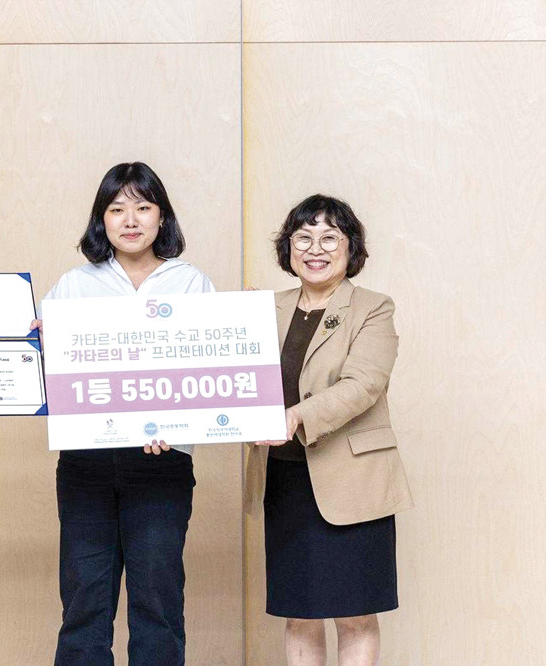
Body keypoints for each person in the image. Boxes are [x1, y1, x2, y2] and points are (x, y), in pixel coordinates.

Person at [31, 162, 214, 666]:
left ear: (162, 217)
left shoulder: (192, 284)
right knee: (85, 602)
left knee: (158, 603)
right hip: (86, 465)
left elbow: (208, 376)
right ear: (101, 220)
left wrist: (174, 428)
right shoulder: (73, 286)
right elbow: (43, 376)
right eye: (116, 209)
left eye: (142, 206)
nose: (130, 220)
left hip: (161, 465)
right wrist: (35, 347)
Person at [245, 194, 413, 666]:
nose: (314, 249)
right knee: (300, 613)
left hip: (353, 482)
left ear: (350, 247)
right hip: (285, 480)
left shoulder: (373, 308)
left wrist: (295, 415)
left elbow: (364, 384)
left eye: (329, 238)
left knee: (355, 615)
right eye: (303, 237)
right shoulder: (261, 309)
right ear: (288, 248)